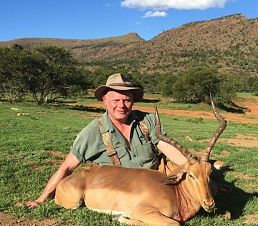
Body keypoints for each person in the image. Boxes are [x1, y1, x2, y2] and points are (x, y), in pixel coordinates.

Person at [21, 73, 188, 208]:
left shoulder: (147, 121)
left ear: (133, 101)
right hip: (127, 189)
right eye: (116, 100)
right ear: (105, 101)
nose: (121, 106)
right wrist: (41, 199)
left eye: (127, 100)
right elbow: (66, 167)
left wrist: (191, 167)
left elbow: (170, 150)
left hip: (156, 178)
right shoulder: (93, 132)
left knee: (200, 170)